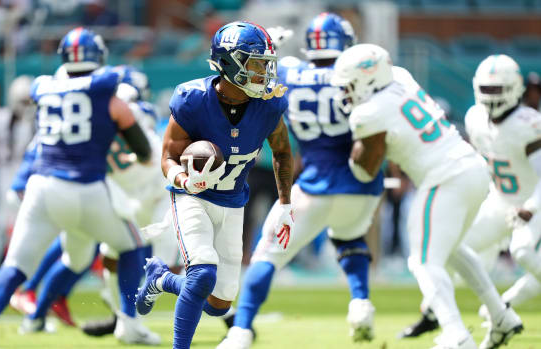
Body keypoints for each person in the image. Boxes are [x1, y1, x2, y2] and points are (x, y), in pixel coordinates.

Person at [0, 27, 153, 347]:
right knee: (131, 246)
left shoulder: (45, 89)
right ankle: (129, 323)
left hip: (42, 188)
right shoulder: (108, 93)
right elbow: (142, 149)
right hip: (87, 188)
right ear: (98, 56)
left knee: (15, 266)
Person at [332, 44, 522, 349]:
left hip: (445, 178)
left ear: (368, 80)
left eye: (350, 85)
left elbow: (366, 170)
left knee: (422, 261)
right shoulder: (402, 77)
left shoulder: (368, 113)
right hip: (470, 167)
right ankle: (501, 316)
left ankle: (456, 335)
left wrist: (354, 159)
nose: (345, 93)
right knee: (453, 250)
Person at [218, 13, 383, 348]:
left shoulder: (291, 72)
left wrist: (271, 54)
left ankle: (242, 330)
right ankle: (360, 302)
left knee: (268, 255)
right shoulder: (356, 72)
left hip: (314, 183)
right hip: (360, 183)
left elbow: (261, 84)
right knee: (351, 238)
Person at [134, 21, 294, 349]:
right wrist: (184, 179)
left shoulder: (269, 104)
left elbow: (282, 152)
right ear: (230, 64)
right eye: (256, 64)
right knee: (203, 274)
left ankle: (161, 279)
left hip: (233, 201)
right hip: (192, 197)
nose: (265, 73)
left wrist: (286, 204)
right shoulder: (192, 99)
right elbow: (168, 158)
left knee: (219, 303)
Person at [402, 54, 541, 345]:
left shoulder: (527, 123)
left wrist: (529, 207)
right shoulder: (475, 118)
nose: (491, 98)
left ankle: (504, 306)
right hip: (500, 200)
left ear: (514, 89)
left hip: (532, 202)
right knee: (455, 244)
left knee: (523, 251)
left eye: (497, 90)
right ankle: (438, 313)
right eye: (487, 90)